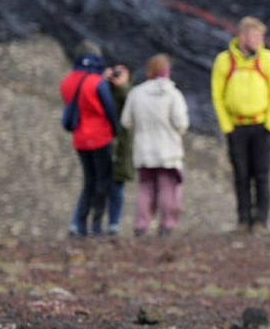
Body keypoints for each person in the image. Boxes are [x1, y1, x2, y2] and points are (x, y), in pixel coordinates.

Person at [212, 17, 270, 231]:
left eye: (261, 36)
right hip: (236, 127)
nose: (259, 40)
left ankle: (261, 221)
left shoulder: (268, 60)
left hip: (261, 126)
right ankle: (243, 220)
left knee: (262, 173)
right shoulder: (224, 61)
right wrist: (227, 126)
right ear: (242, 36)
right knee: (241, 174)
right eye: (255, 35)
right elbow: (217, 94)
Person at [122, 54, 191, 236]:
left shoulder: (136, 93)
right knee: (167, 188)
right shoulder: (172, 94)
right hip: (168, 151)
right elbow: (181, 123)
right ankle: (167, 224)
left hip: (143, 150)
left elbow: (126, 121)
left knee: (146, 188)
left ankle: (142, 224)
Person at [60, 42, 118, 237]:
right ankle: (96, 225)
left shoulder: (68, 81)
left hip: (80, 139)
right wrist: (116, 131)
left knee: (89, 181)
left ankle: (78, 224)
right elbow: (110, 109)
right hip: (100, 137)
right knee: (103, 181)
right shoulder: (96, 82)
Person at [106, 64, 133, 236]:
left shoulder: (127, 92)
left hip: (119, 145)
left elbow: (130, 103)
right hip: (106, 141)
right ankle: (105, 223)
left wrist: (122, 86)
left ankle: (113, 223)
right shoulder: (104, 89)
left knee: (116, 184)